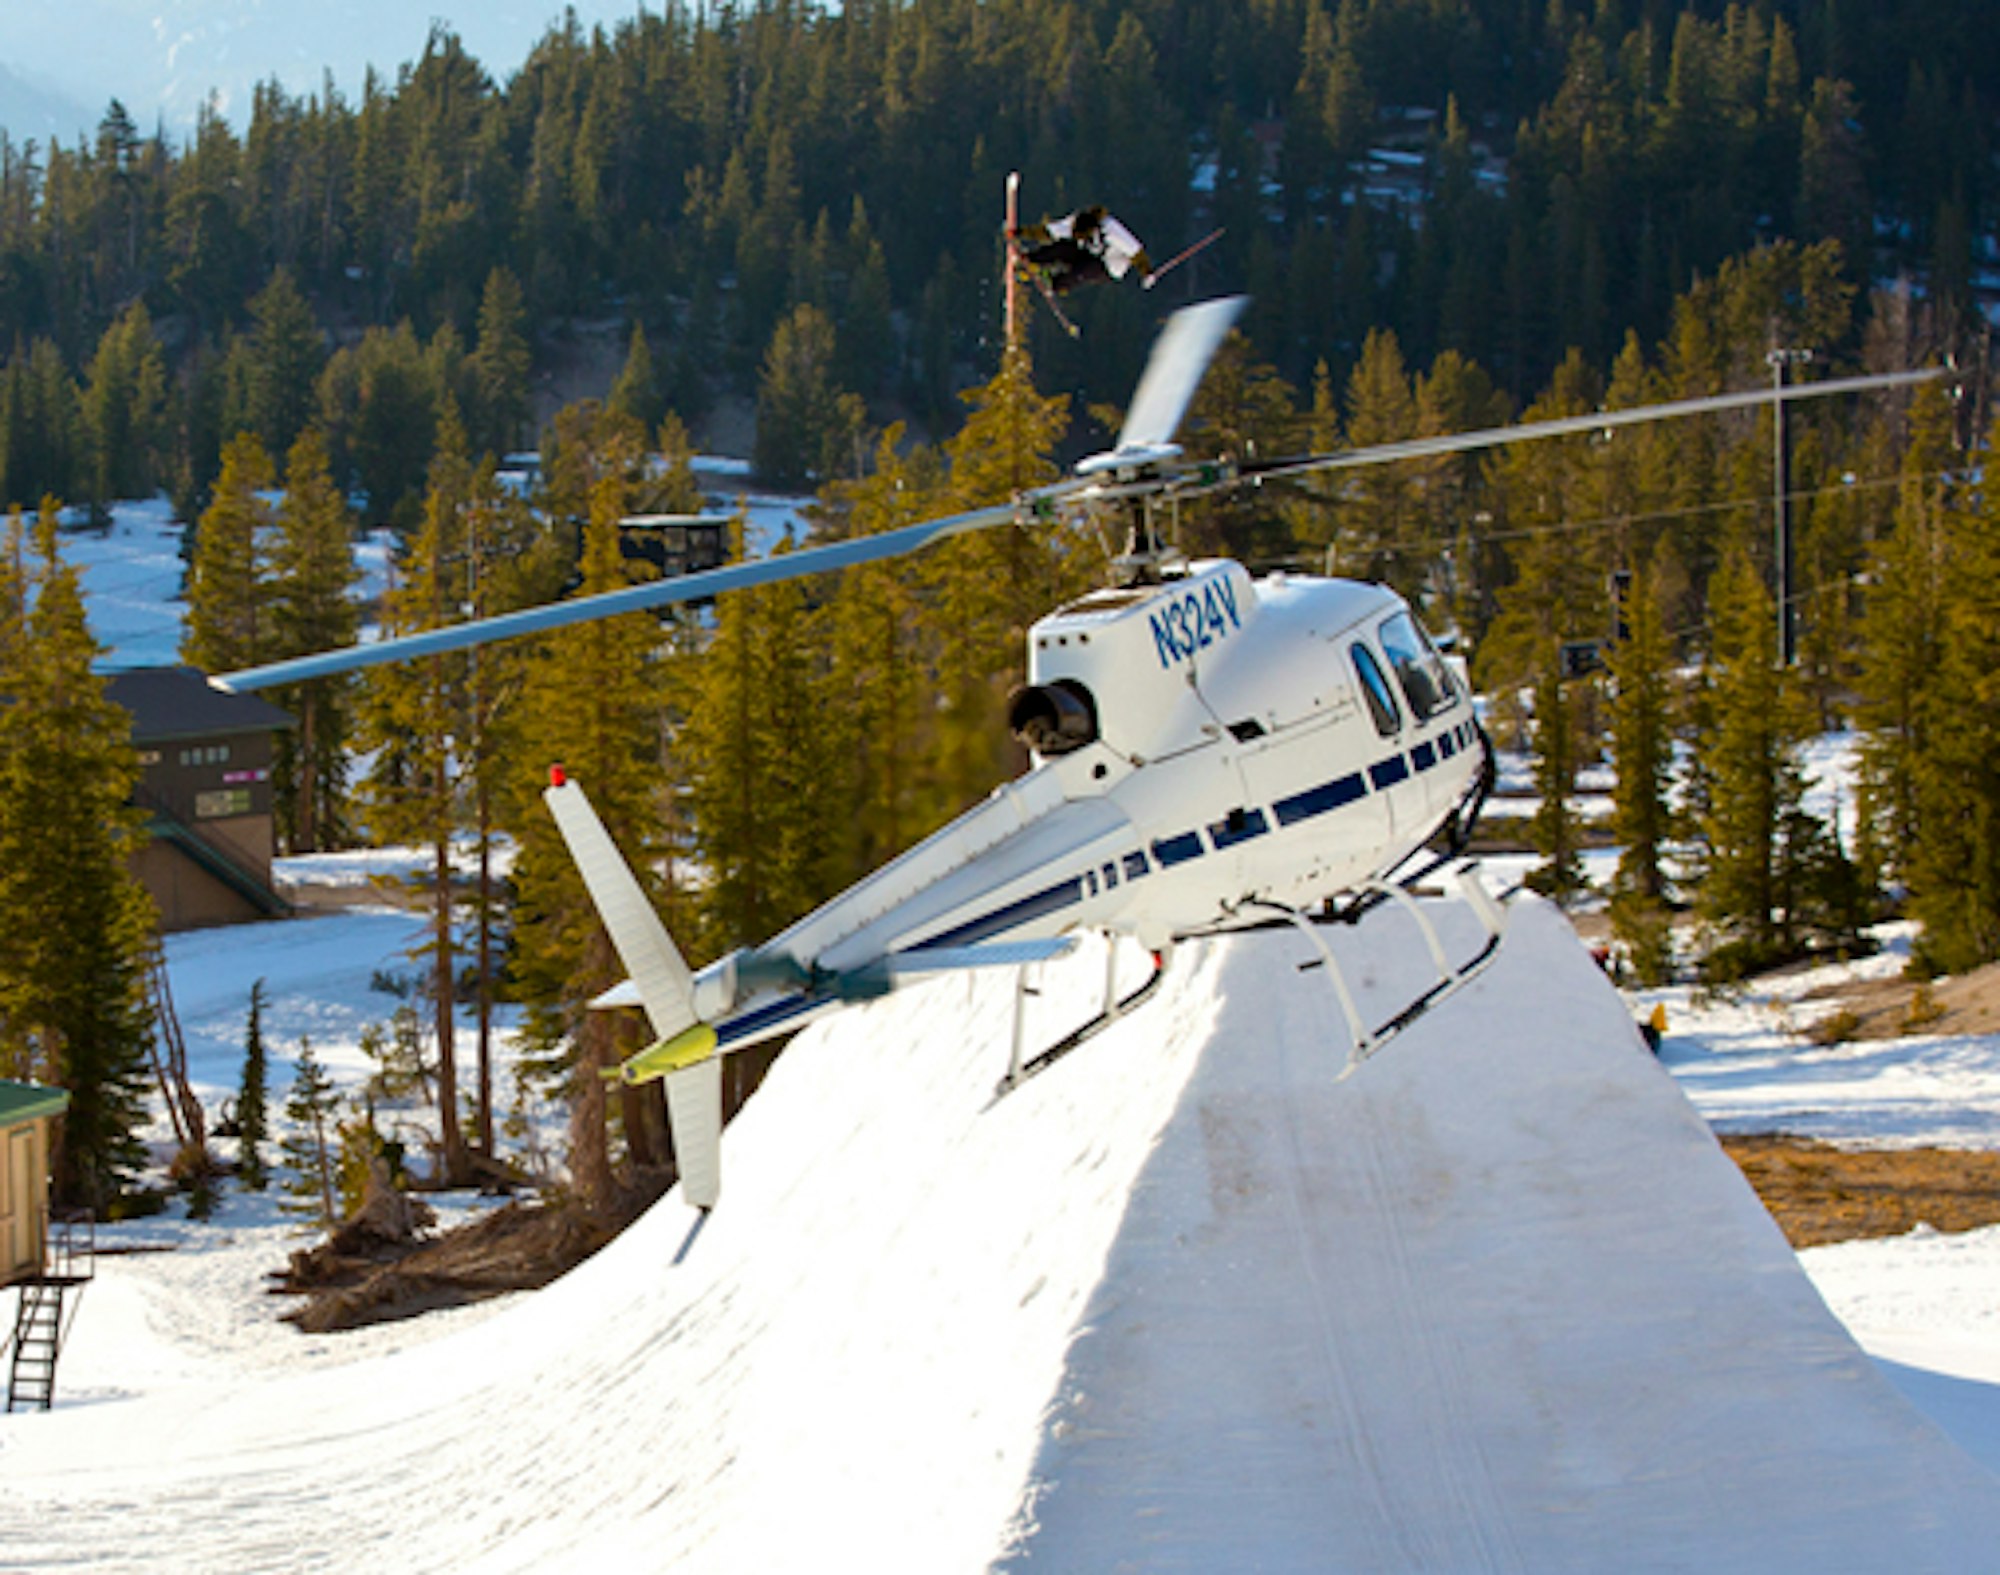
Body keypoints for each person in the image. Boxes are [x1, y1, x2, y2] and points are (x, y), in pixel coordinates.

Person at [1014, 206, 1154, 294]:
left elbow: (1137, 253)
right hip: (1089, 254)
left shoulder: (1111, 230)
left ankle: (1057, 283)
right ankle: (1030, 260)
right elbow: (1048, 232)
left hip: (1109, 267)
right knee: (1063, 247)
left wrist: (1146, 273)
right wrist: (1020, 233)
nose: (1080, 239)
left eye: (1083, 237)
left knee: (1083, 270)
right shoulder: (1074, 223)